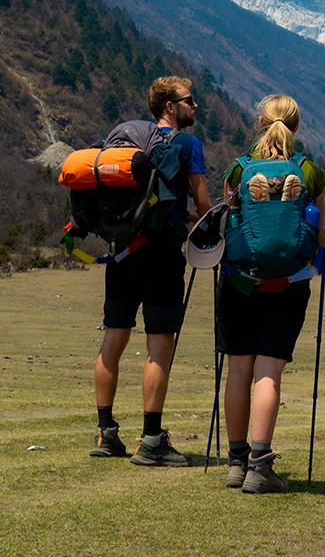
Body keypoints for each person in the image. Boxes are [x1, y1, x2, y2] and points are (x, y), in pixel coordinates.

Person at [217, 95, 325, 493]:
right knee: (268, 373)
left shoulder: (238, 170)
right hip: (289, 284)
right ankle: (259, 467)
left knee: (237, 372)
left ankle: (235, 462)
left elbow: (227, 222)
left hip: (239, 283)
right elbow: (318, 236)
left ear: (259, 123)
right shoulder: (308, 172)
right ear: (296, 127)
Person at [91, 76, 210, 465]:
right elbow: (203, 203)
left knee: (114, 337)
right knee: (160, 341)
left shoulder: (129, 143)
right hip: (160, 251)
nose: (196, 106)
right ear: (169, 107)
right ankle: (152, 439)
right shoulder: (187, 144)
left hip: (123, 248)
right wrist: (198, 217)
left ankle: (105, 433)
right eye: (189, 100)